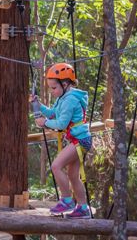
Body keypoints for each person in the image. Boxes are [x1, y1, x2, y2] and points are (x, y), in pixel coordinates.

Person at [31, 63, 92, 219]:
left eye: (53, 88)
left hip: (80, 140)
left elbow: (61, 124)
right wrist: (38, 105)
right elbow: (53, 114)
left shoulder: (70, 100)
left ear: (64, 84)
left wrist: (44, 123)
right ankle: (83, 207)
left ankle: (66, 200)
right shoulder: (63, 97)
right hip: (79, 139)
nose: (52, 92)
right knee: (72, 175)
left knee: (56, 166)